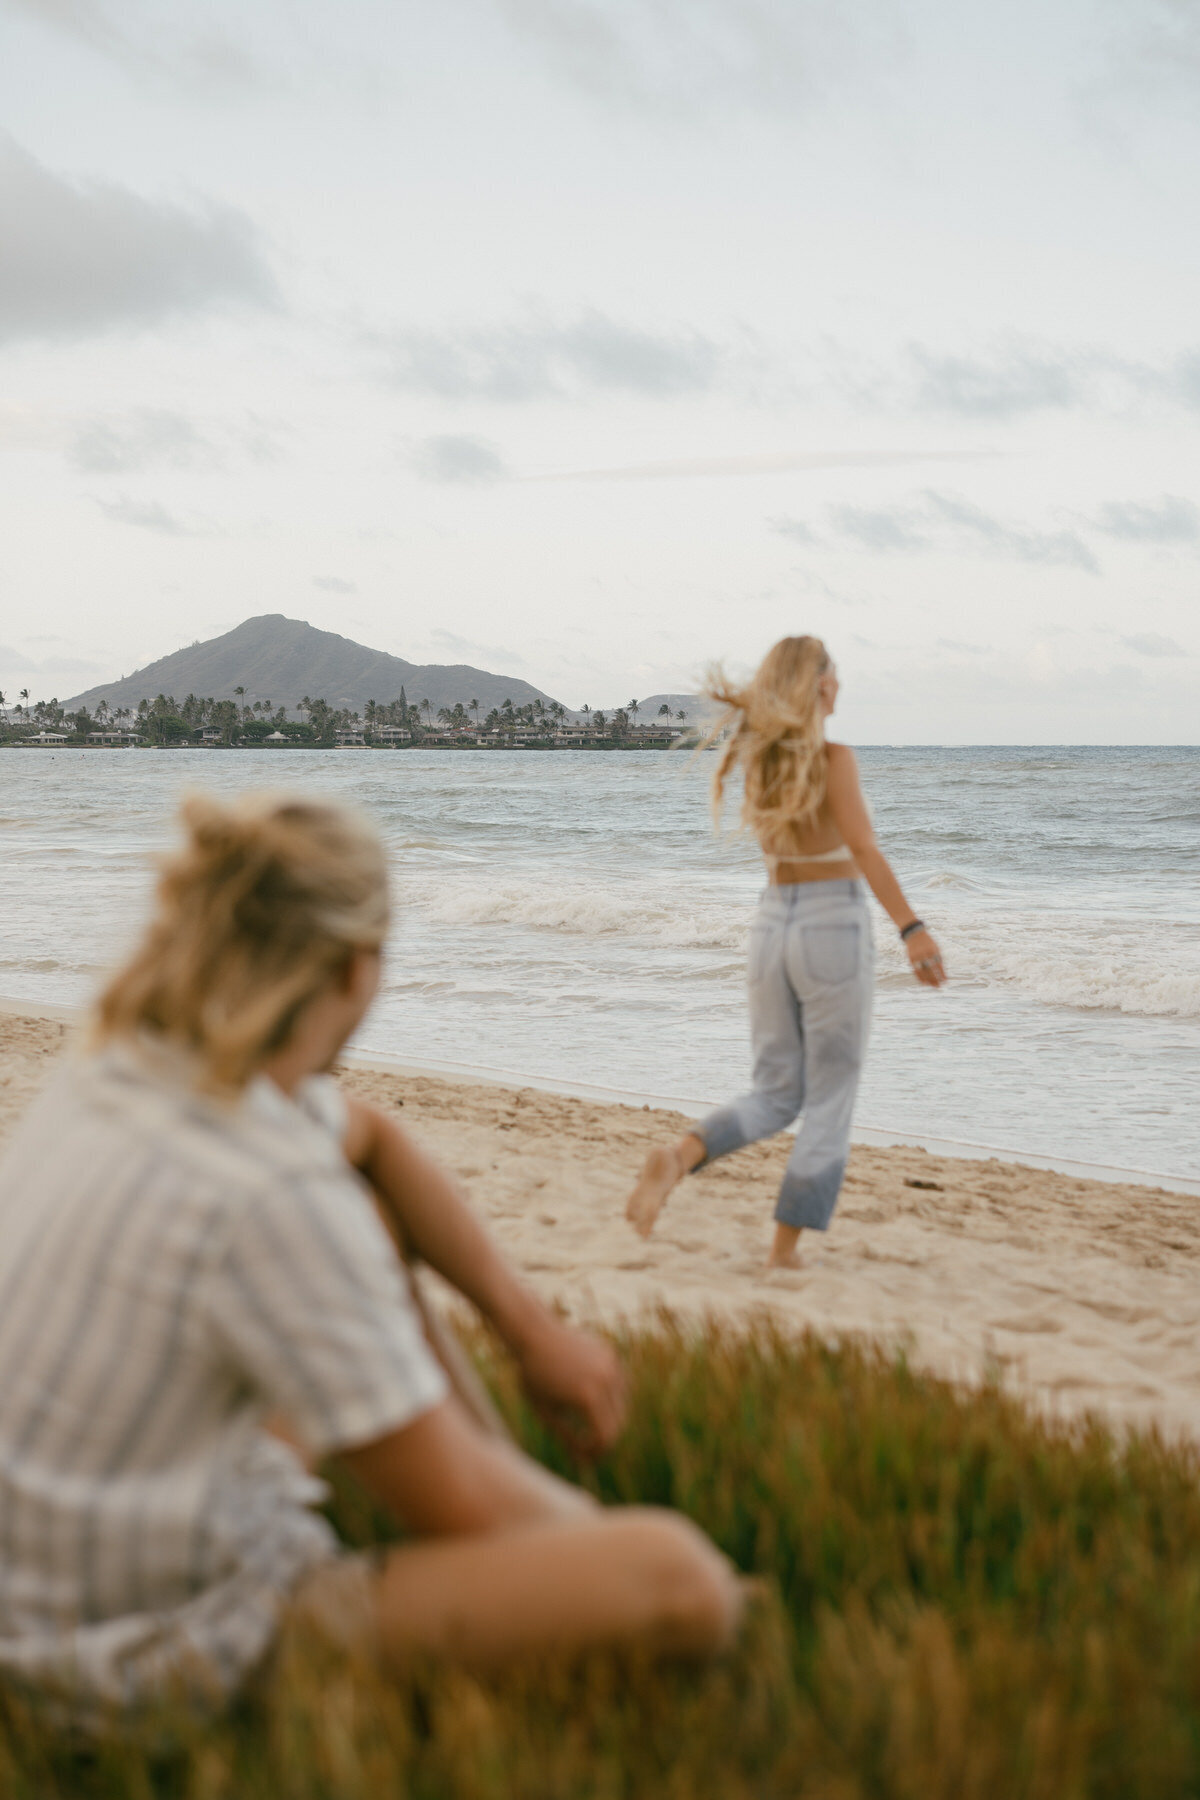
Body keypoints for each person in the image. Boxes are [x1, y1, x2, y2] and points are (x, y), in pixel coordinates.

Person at [0, 793, 741, 1727]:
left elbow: (374, 1140)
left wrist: (529, 1330)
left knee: (376, 1221)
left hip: (44, 1568)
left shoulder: (124, 1060)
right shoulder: (271, 1190)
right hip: (122, 1652)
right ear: (357, 969)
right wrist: (591, 1559)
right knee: (679, 1584)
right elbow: (464, 1511)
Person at [626, 635, 946, 1268]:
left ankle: (679, 1158)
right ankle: (783, 1251)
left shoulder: (758, 762)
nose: (841, 682)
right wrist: (913, 928)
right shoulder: (836, 760)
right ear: (820, 685)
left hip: (772, 925)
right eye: (835, 673)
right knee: (829, 1096)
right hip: (831, 927)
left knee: (776, 1092)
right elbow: (863, 851)